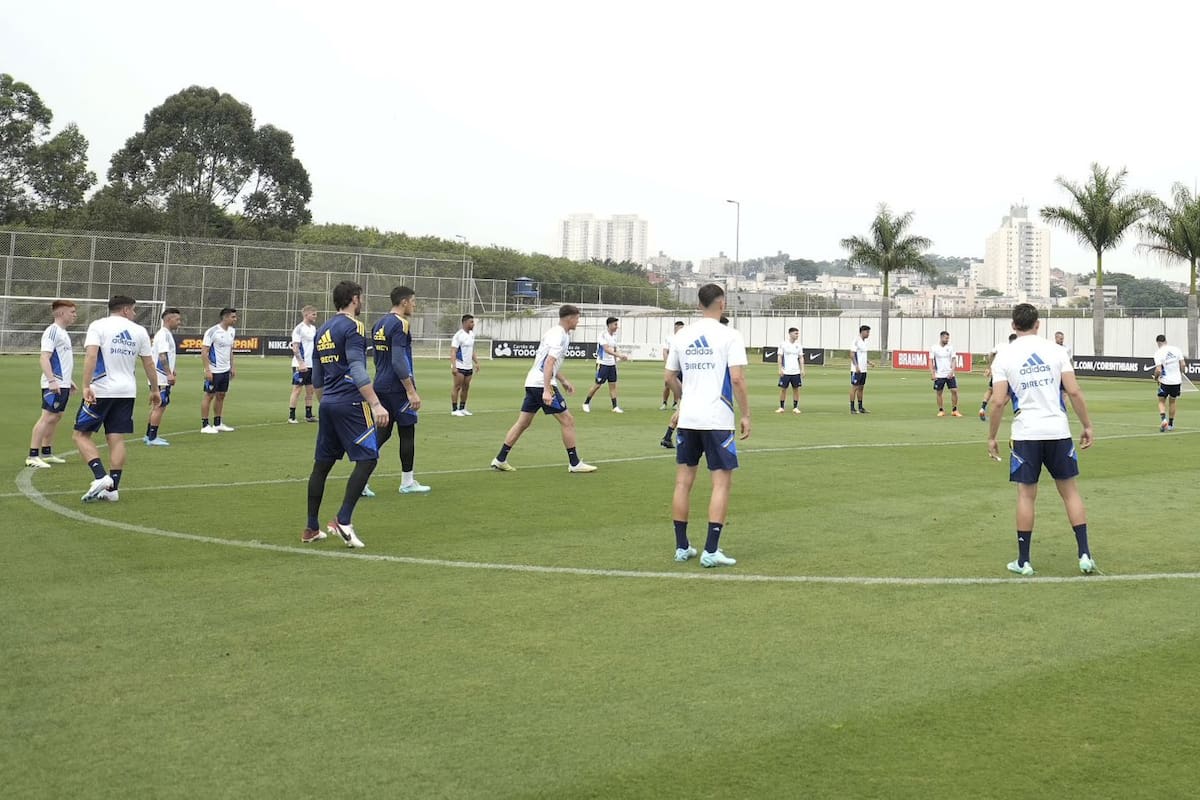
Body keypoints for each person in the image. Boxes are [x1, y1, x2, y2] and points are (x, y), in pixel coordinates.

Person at [987, 303, 1096, 576]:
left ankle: (1024, 561)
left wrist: (992, 437)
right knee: (1070, 492)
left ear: (1013, 325)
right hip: (1058, 431)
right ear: (1038, 324)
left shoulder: (1003, 356)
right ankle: (1084, 554)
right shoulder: (1057, 351)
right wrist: (1087, 426)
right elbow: (1074, 391)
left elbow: (998, 401)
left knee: (1026, 495)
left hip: (1026, 434)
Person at [665, 284, 750, 568]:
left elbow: (669, 377)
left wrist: (682, 402)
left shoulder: (682, 335)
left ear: (698, 304)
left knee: (683, 482)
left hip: (688, 418)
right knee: (721, 483)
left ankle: (682, 547)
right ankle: (711, 550)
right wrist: (746, 414)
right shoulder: (730, 335)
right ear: (722, 303)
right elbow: (737, 379)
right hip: (717, 419)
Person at [301, 281, 390, 547]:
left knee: (322, 466)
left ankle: (311, 528)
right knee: (369, 458)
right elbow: (357, 366)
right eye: (360, 298)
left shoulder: (322, 330)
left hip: (328, 403)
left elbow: (317, 377)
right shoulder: (354, 326)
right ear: (354, 299)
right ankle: (343, 519)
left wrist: (325, 401)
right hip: (352, 403)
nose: (361, 302)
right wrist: (375, 404)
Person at [73, 295, 160, 502]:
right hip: (127, 392)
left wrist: (86, 385)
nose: (135, 314)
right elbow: (149, 363)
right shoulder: (139, 332)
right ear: (126, 310)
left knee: (80, 435)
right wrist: (155, 389)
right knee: (116, 438)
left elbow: (91, 355)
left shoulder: (98, 326)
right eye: (134, 310)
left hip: (101, 390)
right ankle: (113, 490)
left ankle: (100, 476)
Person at [490, 304, 596, 473]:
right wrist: (547, 389)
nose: (578, 321)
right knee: (567, 420)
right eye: (577, 317)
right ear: (569, 318)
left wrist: (562, 379)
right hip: (541, 384)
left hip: (533, 382)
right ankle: (574, 463)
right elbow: (548, 363)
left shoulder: (554, 333)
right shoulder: (559, 336)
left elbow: (547, 362)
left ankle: (500, 459)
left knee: (523, 423)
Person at [372, 285, 430, 494]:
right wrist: (410, 390)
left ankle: (362, 478)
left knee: (383, 432)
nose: (414, 305)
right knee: (407, 432)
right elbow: (398, 360)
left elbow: (379, 358)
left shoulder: (379, 323)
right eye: (413, 301)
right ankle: (407, 482)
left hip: (380, 383)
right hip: (397, 387)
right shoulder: (400, 324)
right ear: (404, 302)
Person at [27, 299, 78, 469]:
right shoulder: (52, 332)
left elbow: (61, 361)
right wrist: (51, 380)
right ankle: (32, 456)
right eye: (72, 312)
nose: (75, 315)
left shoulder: (63, 333)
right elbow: (44, 357)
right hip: (53, 383)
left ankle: (46, 452)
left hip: (62, 383)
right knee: (47, 416)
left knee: (56, 416)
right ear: (62, 313)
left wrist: (68, 381)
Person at [143, 307, 182, 446]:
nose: (179, 322)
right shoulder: (163, 334)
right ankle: (152, 438)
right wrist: (168, 373)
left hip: (160, 376)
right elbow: (162, 355)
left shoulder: (164, 334)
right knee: (160, 405)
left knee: (156, 405)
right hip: (161, 378)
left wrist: (172, 369)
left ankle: (149, 435)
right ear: (168, 319)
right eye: (177, 319)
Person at [200, 306, 238, 433]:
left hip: (225, 370)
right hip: (214, 370)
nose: (235, 319)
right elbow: (204, 351)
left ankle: (218, 423)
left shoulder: (232, 331)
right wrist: (207, 370)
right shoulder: (212, 332)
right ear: (225, 317)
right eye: (233, 317)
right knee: (209, 395)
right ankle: (205, 425)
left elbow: (230, 350)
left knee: (221, 395)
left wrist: (232, 366)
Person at [583, 316, 630, 413]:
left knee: (613, 386)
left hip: (611, 365)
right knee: (597, 385)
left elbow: (614, 349)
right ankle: (586, 403)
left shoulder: (614, 336)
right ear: (609, 325)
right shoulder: (603, 335)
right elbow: (606, 349)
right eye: (615, 324)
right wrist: (619, 355)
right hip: (602, 364)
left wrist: (616, 362)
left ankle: (615, 406)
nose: (617, 326)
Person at [288, 305, 318, 424]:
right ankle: (291, 416)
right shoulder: (299, 329)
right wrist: (300, 363)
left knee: (310, 390)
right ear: (306, 315)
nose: (315, 316)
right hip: (300, 365)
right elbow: (295, 347)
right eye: (313, 314)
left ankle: (309, 415)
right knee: (297, 390)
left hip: (311, 364)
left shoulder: (314, 328)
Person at [1153, 333, 1187, 432]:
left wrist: (1155, 377)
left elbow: (1158, 370)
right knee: (1172, 401)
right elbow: (1183, 365)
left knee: (1161, 400)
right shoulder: (1176, 350)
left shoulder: (1158, 353)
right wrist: (1181, 373)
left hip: (1165, 381)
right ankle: (1171, 424)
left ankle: (1164, 420)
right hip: (1176, 381)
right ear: (1166, 341)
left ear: (1158, 343)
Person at [980, 333, 1017, 420]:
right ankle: (995, 413)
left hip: (996, 371)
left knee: (990, 390)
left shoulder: (1001, 345)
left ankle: (982, 408)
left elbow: (991, 354)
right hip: (1008, 374)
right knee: (1008, 394)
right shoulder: (1016, 349)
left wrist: (989, 367)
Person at [450, 314, 480, 416]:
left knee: (466, 387)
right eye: (471, 322)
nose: (473, 324)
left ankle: (462, 408)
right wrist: (454, 366)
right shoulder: (459, 335)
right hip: (459, 365)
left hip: (468, 366)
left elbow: (471, 350)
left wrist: (476, 362)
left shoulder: (471, 335)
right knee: (457, 387)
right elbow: (453, 351)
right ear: (465, 323)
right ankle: (454, 409)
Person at [929, 330, 961, 416]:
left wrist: (952, 371)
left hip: (949, 373)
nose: (947, 340)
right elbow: (931, 361)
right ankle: (941, 410)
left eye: (948, 338)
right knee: (939, 392)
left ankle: (954, 410)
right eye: (946, 338)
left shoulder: (951, 347)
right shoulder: (934, 348)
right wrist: (932, 373)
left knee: (954, 390)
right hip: (939, 374)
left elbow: (954, 360)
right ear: (941, 337)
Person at [776, 326, 805, 414]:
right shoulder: (783, 344)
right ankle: (781, 407)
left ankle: (795, 407)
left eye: (797, 333)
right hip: (785, 371)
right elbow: (780, 357)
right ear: (790, 334)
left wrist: (802, 369)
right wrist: (780, 369)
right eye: (795, 333)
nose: (797, 335)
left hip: (795, 371)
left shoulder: (798, 345)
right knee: (783, 389)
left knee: (796, 389)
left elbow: (801, 358)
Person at [660, 320, 684, 410]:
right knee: (667, 384)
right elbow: (665, 351)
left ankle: (675, 403)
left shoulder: (684, 338)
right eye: (680, 328)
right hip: (671, 365)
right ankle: (664, 403)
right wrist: (667, 363)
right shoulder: (670, 338)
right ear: (675, 328)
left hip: (681, 366)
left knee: (678, 383)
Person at [849, 324, 873, 414]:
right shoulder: (856, 340)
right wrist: (856, 366)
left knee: (861, 387)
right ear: (862, 332)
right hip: (856, 369)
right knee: (854, 387)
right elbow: (852, 354)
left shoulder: (864, 342)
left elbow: (862, 355)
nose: (868, 334)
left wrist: (869, 362)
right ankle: (852, 408)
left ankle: (860, 407)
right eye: (867, 332)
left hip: (863, 369)